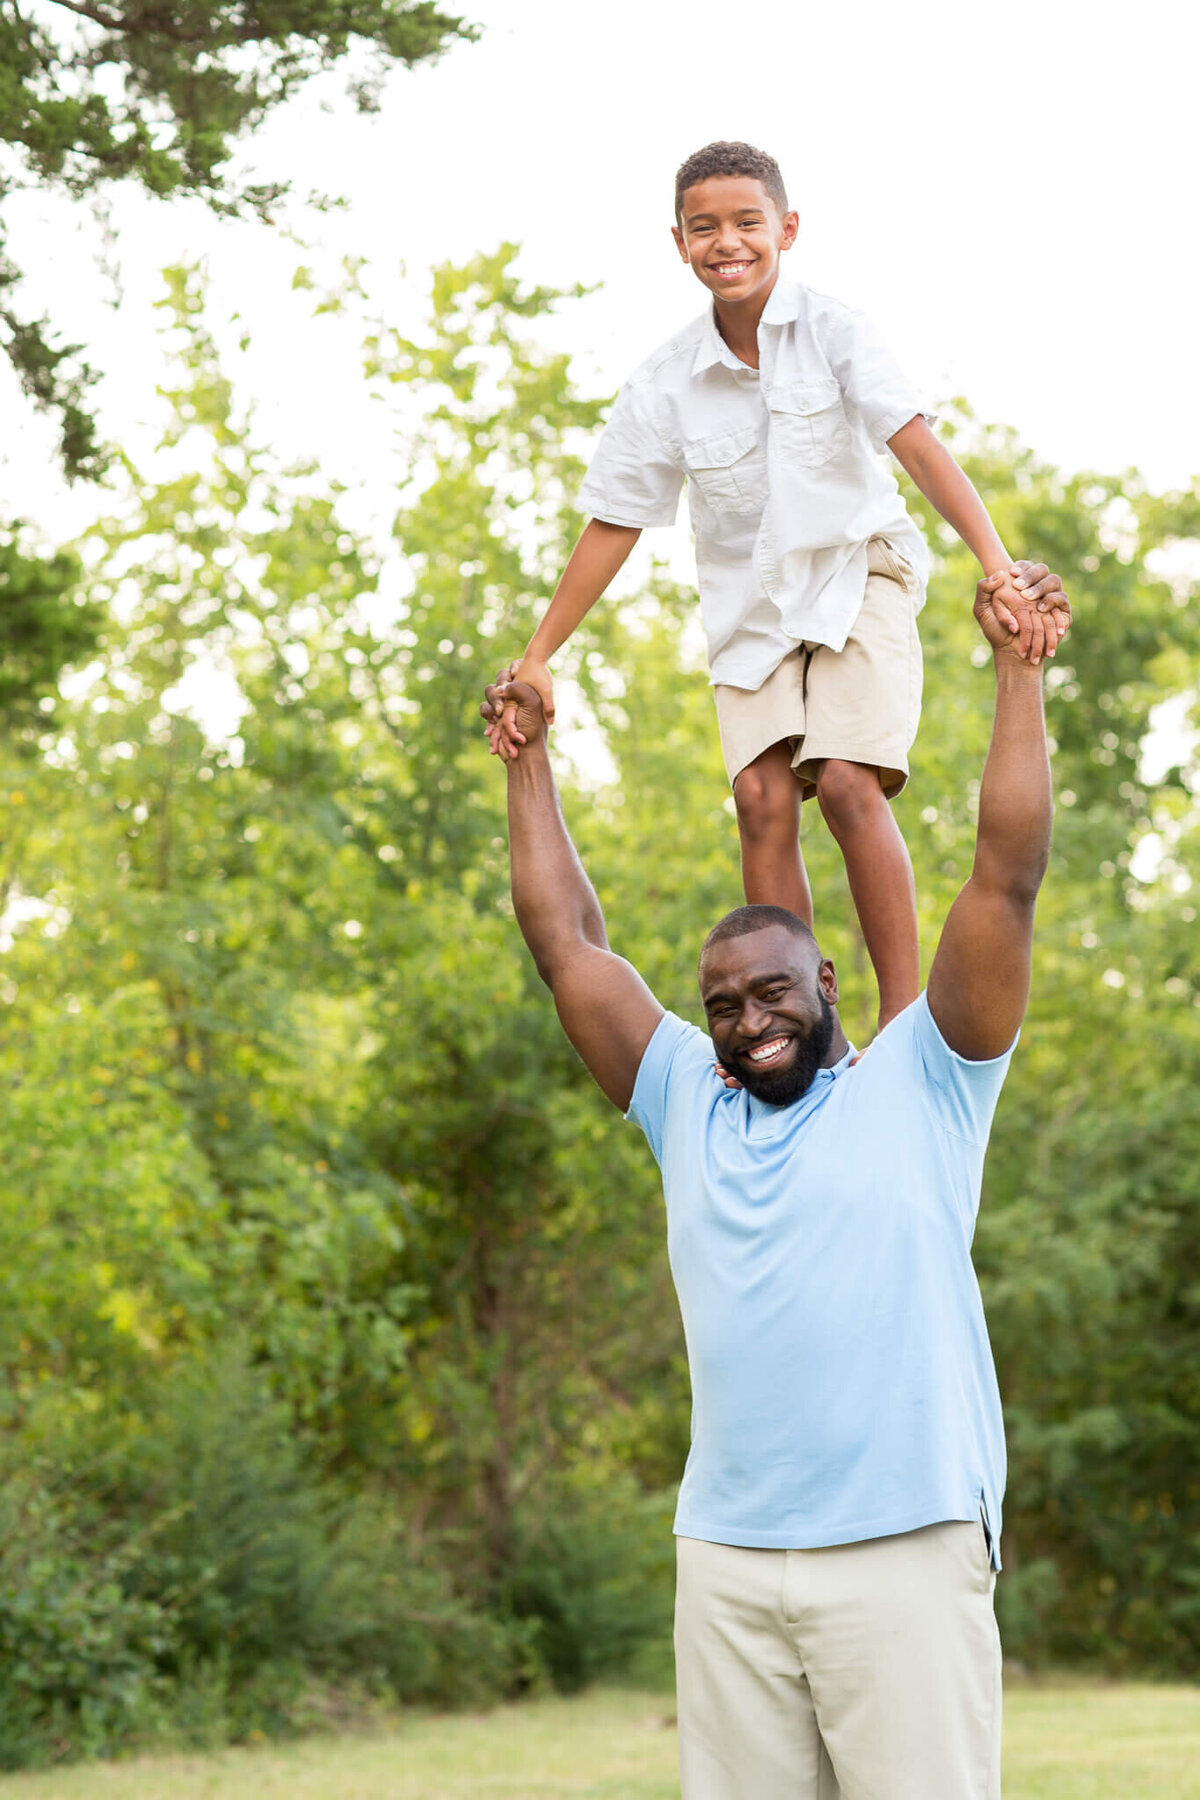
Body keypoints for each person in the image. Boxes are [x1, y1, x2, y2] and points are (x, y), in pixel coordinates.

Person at [480, 558, 1070, 1799]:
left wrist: (1018, 672)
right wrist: (529, 761)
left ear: (831, 991)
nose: (748, 1021)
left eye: (773, 993)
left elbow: (1003, 875)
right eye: (723, 1005)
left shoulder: (924, 1082)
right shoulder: (689, 1098)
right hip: (730, 1562)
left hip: (903, 1549)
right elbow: (566, 942)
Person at [486, 139, 1070, 1031]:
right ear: (677, 243)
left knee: (841, 779)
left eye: (747, 222)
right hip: (750, 606)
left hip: (857, 570)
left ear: (786, 229)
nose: (728, 242)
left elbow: (915, 445)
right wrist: (538, 654)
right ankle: (801, 1023)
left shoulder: (835, 332)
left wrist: (997, 564)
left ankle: (900, 1013)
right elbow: (614, 521)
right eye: (704, 227)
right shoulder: (663, 383)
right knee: (761, 798)